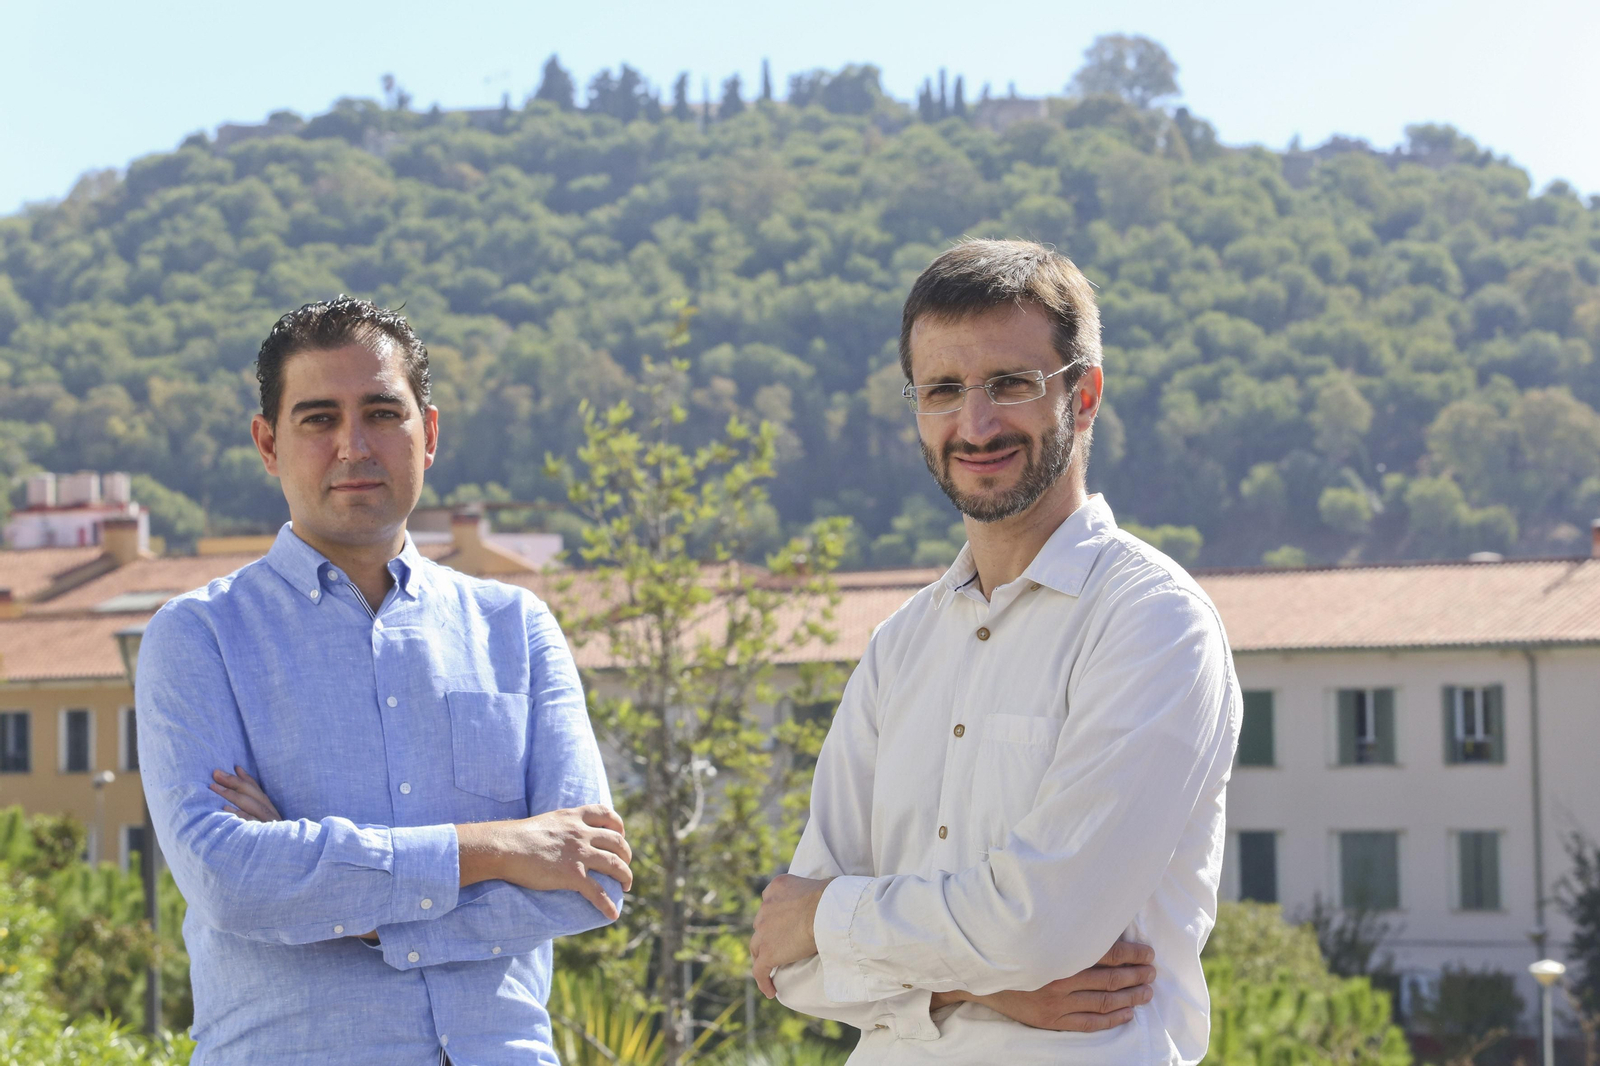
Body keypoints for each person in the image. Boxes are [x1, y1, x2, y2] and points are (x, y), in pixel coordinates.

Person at [748, 240, 1240, 1064]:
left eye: (1010, 384)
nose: (974, 426)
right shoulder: (899, 648)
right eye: (943, 390)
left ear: (1084, 396)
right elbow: (788, 966)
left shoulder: (1153, 624)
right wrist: (973, 987)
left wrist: (829, 919)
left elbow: (1040, 926)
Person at [136, 297, 632, 1065]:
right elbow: (229, 880)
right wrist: (498, 848)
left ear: (427, 434)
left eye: (380, 413)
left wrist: (325, 890)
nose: (353, 445)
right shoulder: (198, 637)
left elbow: (592, 879)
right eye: (319, 419)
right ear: (268, 443)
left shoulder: (518, 629)